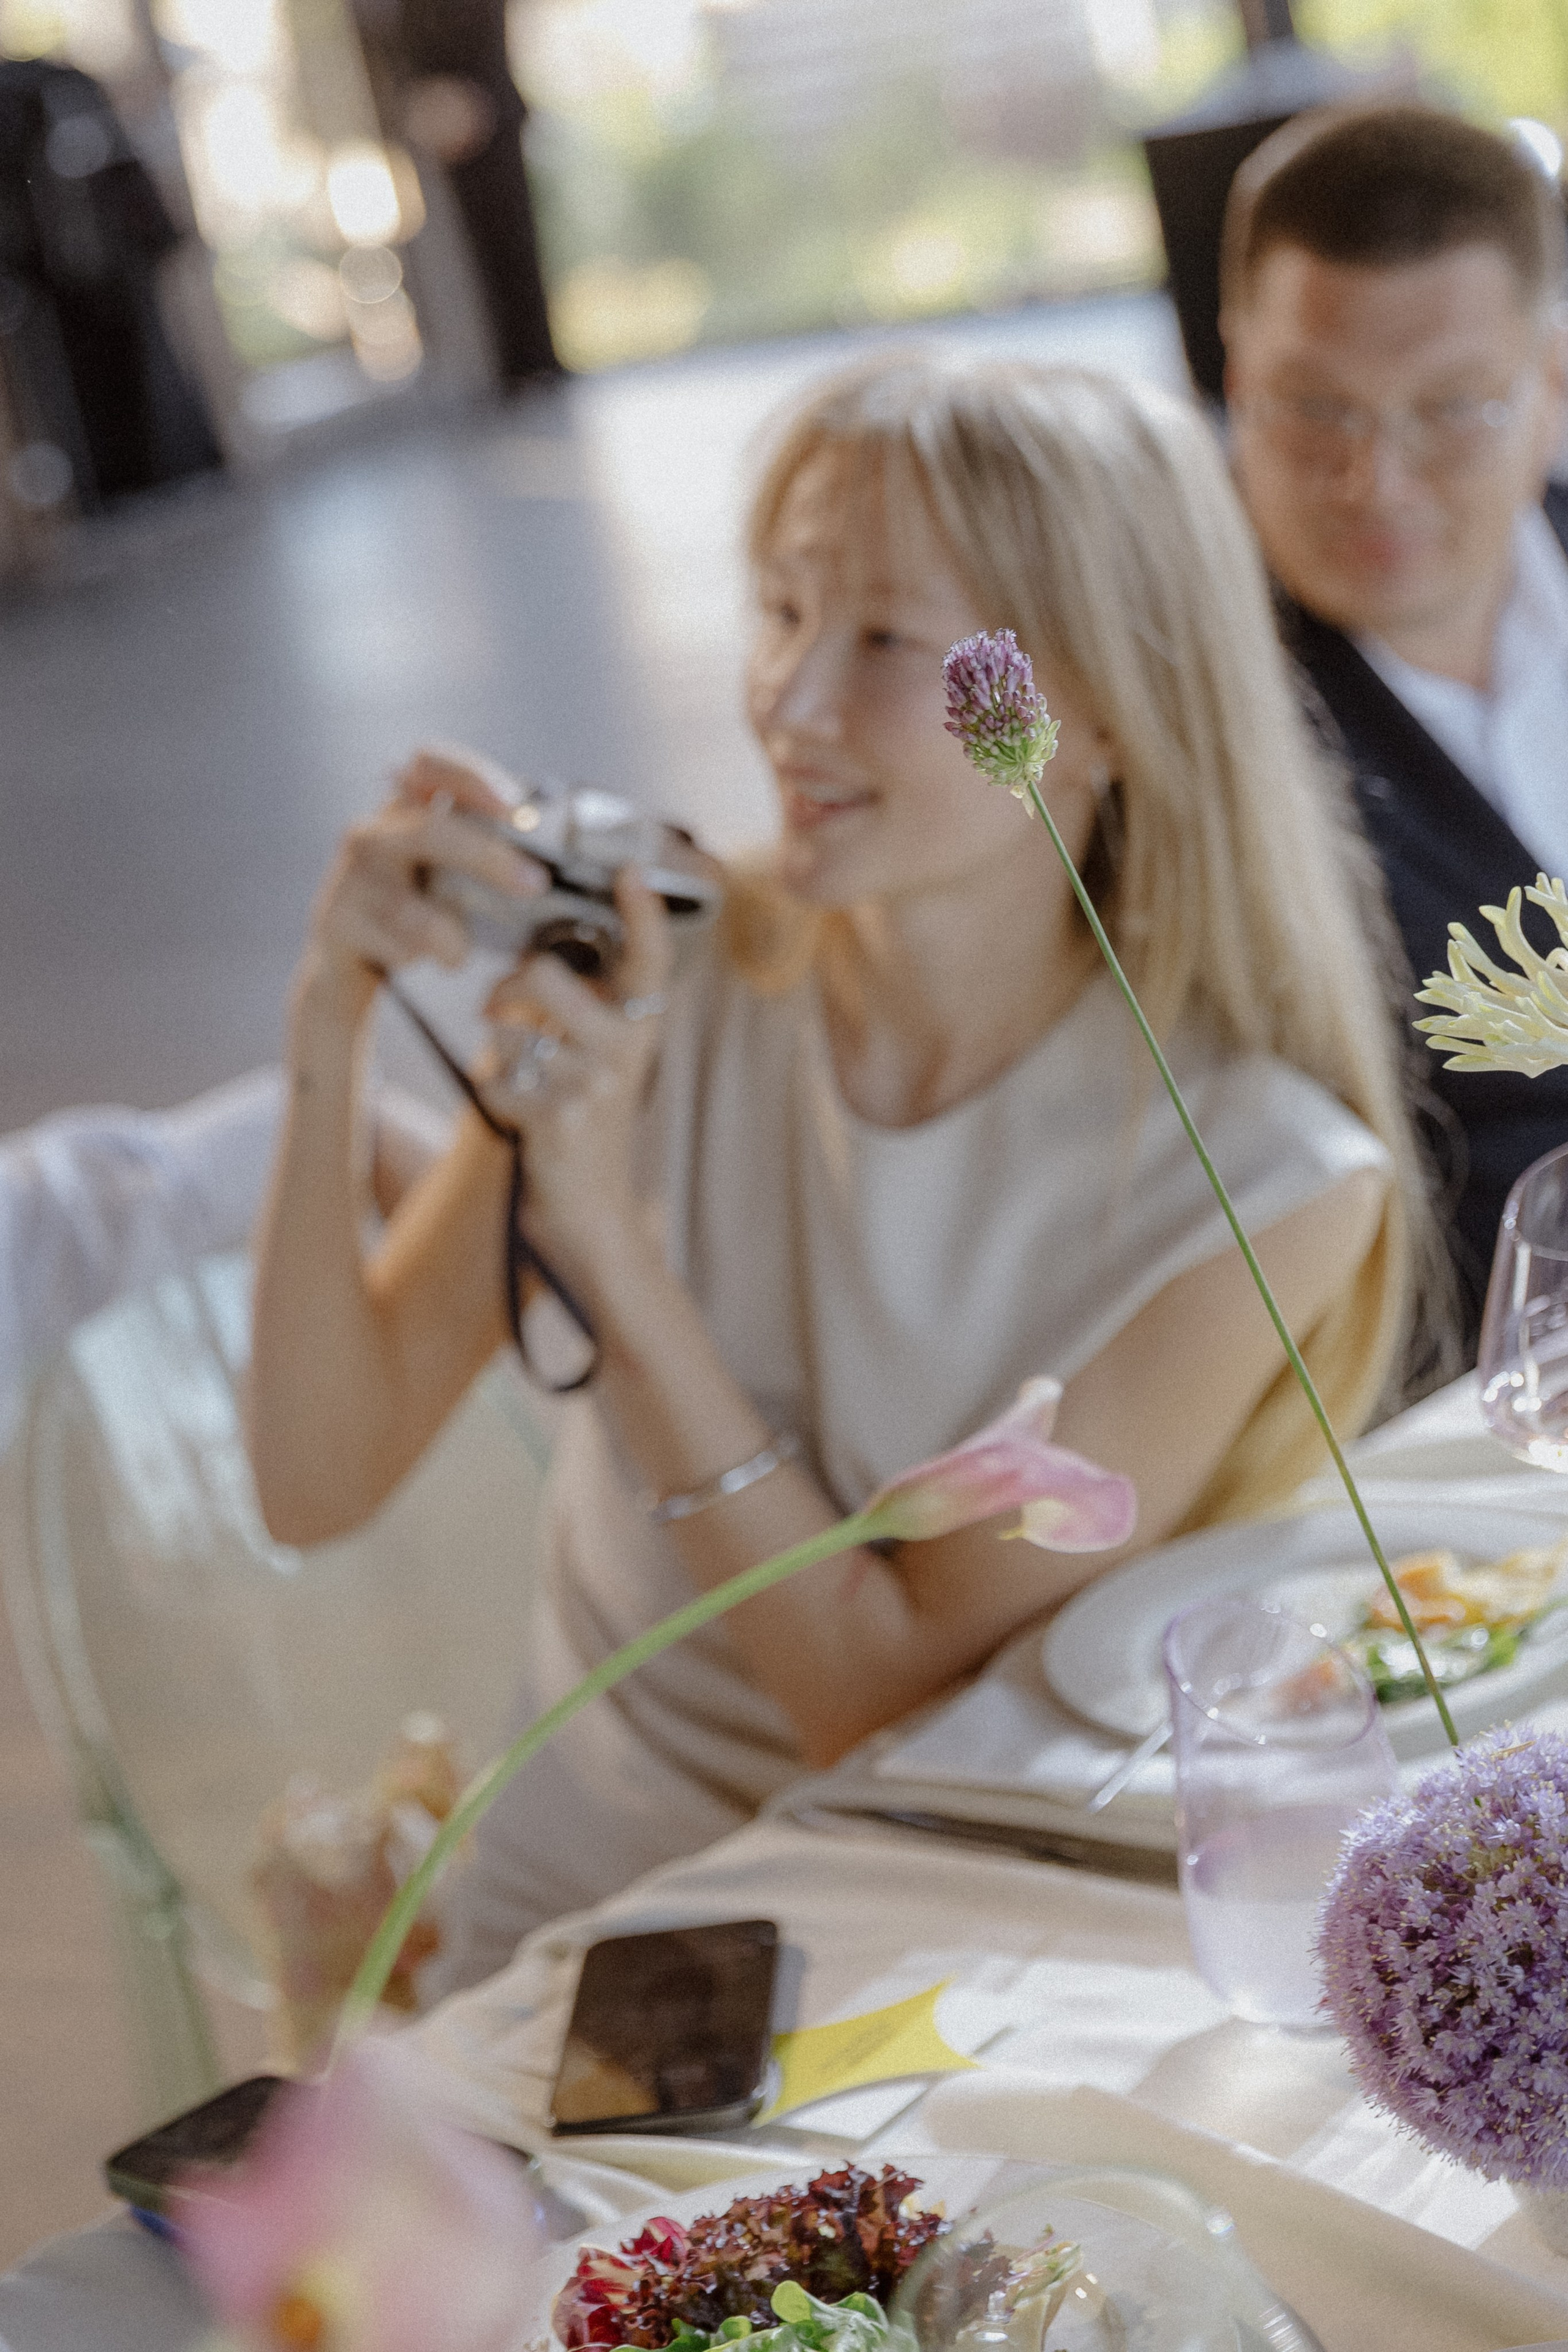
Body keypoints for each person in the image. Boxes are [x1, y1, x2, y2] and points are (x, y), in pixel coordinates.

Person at [249, 356, 1425, 1992]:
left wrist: (607, 1251)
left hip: (929, 1971)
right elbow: (315, 1479)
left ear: (1101, 709)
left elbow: (871, 1706)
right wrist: (332, 1016)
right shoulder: (663, 965)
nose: (788, 703)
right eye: (783, 611)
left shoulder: (1270, 1181)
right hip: (566, 1945)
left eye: (880, 640)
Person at [1221, 103, 1568, 1342]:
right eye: (1313, 407)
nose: (1375, 478)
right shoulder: (1186, 708)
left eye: (1451, 407)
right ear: (1234, 378)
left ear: (1550, 384)